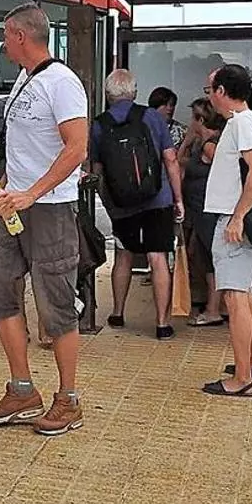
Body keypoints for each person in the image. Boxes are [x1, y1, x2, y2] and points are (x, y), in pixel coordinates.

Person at [0, 2, 87, 436]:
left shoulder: (62, 83)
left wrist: (32, 193)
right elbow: (21, 146)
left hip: (50, 208)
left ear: (21, 36)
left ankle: (68, 400)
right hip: (14, 208)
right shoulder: (25, 79)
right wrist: (6, 188)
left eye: (5, 35)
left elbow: (76, 148)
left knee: (56, 304)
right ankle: (22, 389)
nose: (2, 43)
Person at [92, 69, 184, 340]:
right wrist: (178, 198)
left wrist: (109, 202)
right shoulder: (152, 117)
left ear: (108, 94)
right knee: (157, 257)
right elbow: (171, 159)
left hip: (122, 203)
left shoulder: (99, 124)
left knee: (123, 255)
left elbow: (97, 170)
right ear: (134, 92)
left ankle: (118, 313)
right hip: (157, 198)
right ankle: (162, 323)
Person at [201, 64, 252, 397]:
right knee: (245, 291)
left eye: (209, 90)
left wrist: (238, 217)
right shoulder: (249, 120)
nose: (208, 97)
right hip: (238, 218)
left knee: (234, 296)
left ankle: (242, 378)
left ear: (221, 91)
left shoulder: (242, 123)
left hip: (233, 220)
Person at [0, 97, 49, 348]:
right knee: (13, 268)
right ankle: (22, 327)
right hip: (10, 195)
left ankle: (44, 328)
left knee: (40, 264)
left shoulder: (45, 99)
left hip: (43, 195)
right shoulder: (1, 106)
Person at [179, 98, 227, 327]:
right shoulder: (203, 143)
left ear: (200, 120)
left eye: (193, 118)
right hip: (200, 210)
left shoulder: (210, 145)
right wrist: (188, 141)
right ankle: (214, 305)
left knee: (212, 259)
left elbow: (225, 171)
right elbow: (180, 160)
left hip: (209, 210)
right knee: (204, 257)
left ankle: (214, 309)